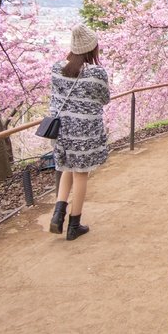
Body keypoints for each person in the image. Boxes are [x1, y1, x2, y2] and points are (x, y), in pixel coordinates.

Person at [48, 24, 111, 240]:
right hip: (85, 132)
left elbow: (55, 98)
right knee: (81, 173)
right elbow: (104, 99)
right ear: (92, 48)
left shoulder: (57, 68)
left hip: (62, 131)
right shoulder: (97, 73)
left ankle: (58, 214)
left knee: (66, 167)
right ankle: (74, 225)